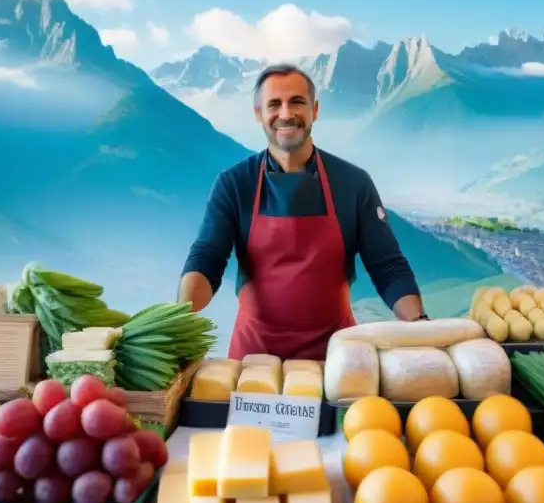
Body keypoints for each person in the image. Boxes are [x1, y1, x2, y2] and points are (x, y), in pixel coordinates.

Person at [178, 63, 427, 360]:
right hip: (253, 359)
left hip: (337, 358)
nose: (286, 114)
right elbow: (207, 257)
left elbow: (387, 266)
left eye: (297, 102)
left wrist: (419, 327)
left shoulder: (353, 183)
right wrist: (179, 320)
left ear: (315, 110)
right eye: (274, 104)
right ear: (258, 113)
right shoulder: (234, 184)